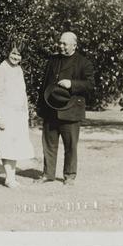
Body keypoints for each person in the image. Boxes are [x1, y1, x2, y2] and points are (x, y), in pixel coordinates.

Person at [35, 31, 94, 186]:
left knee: (70, 146)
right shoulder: (52, 60)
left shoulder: (84, 62)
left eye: (64, 44)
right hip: (50, 110)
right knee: (48, 145)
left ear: (74, 45)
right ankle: (48, 174)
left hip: (71, 111)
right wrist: (40, 107)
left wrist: (72, 84)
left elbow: (90, 86)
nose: (60, 46)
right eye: (60, 43)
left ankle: (69, 176)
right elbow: (44, 84)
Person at [0, 39, 35, 188]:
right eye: (14, 53)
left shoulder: (18, 69)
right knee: (6, 145)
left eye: (19, 55)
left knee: (16, 146)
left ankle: (12, 176)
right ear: (8, 52)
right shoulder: (1, 69)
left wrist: (26, 113)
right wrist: (0, 117)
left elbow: (22, 93)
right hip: (6, 114)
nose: (16, 57)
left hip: (18, 115)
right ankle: (8, 178)